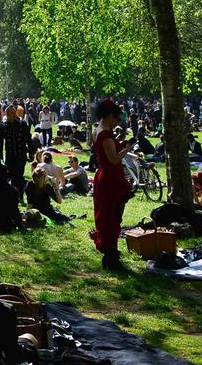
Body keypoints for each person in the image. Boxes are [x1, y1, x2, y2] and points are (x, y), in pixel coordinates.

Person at [90, 98, 131, 273]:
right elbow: (113, 159)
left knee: (108, 215)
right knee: (112, 216)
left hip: (105, 176)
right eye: (117, 118)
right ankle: (111, 256)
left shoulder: (96, 131)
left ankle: (110, 254)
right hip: (110, 179)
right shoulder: (105, 134)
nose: (117, 122)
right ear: (109, 116)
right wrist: (126, 150)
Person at [0, 105, 31, 197]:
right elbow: (0, 142)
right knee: (10, 174)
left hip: (21, 154)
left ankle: (20, 195)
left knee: (19, 175)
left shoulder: (22, 123)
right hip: (10, 154)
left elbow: (28, 138)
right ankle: (11, 195)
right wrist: (0, 155)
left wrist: (31, 152)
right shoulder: (3, 125)